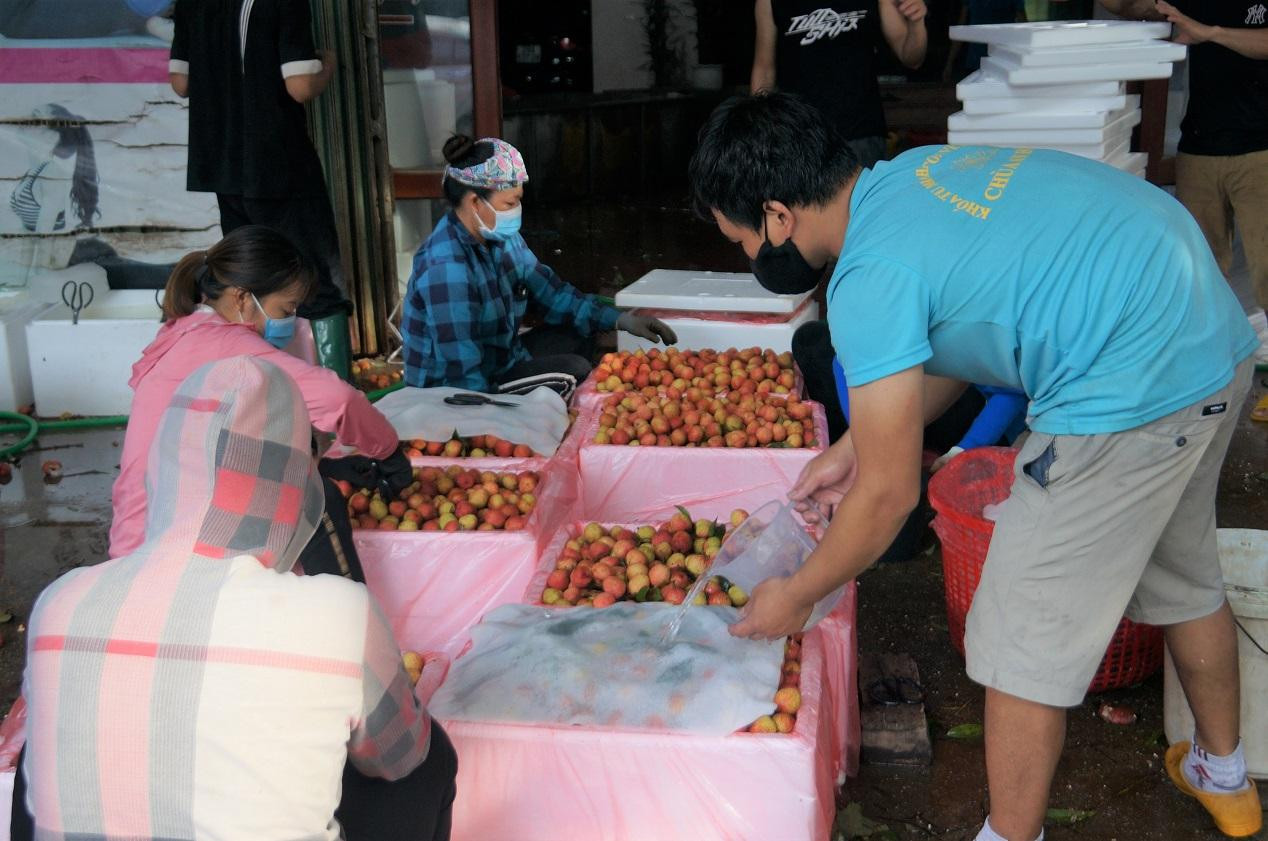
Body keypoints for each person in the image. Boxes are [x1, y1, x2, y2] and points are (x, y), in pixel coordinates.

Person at [690, 93, 1261, 840]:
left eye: (740, 239)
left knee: (1018, 636)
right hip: (1208, 337)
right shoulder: (913, 177)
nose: (749, 255)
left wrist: (797, 595)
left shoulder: (866, 279)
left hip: (1130, 382)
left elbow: (892, 495)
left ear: (776, 217)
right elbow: (963, 339)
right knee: (1185, 574)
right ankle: (1226, 777)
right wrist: (854, 443)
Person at [12, 356, 457, 841]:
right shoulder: (336, 614)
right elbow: (401, 755)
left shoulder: (61, 600)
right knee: (429, 762)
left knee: (40, 758)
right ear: (294, 481)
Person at [109, 225, 412, 575]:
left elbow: (220, 445)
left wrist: (321, 464)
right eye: (286, 310)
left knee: (309, 486)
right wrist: (388, 452)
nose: (289, 322)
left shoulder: (184, 331)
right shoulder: (229, 347)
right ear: (241, 298)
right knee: (317, 503)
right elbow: (338, 400)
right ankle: (348, 615)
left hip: (139, 532)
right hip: (166, 548)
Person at [402, 135, 676, 394]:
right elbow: (462, 374)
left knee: (579, 333)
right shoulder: (447, 266)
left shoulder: (502, 240)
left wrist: (621, 320)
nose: (516, 210)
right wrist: (489, 424)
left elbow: (553, 294)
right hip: (452, 391)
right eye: (510, 202)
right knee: (574, 370)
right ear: (475, 202)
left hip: (501, 358)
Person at [168, 0, 354, 379]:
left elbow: (180, 82)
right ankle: (338, 404)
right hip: (278, 164)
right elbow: (300, 85)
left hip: (222, 168)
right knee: (316, 282)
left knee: (249, 284)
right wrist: (328, 65)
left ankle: (263, 389)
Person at [1099, 0, 1268, 383]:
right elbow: (1132, 7)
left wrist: (1211, 32)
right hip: (1200, 147)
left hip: (1261, 148)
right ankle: (1216, 376)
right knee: (1200, 273)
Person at [751, 0, 929, 170]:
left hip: (861, 132)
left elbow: (911, 57)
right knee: (800, 201)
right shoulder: (768, 2)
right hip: (797, 135)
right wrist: (757, 128)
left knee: (860, 201)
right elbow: (764, 69)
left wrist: (916, 23)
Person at [944, 0, 1027, 81]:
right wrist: (949, 62)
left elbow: (1024, 28)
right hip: (979, 59)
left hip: (1002, 60)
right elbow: (961, 28)